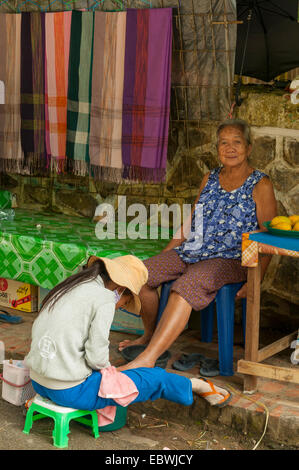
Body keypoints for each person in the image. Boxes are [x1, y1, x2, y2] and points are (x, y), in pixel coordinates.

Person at [118, 119, 278, 372]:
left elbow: (269, 235)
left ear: (248, 148)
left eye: (237, 142)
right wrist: (166, 255)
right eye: (224, 143)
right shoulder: (210, 178)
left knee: (186, 286)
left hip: (231, 259)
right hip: (194, 251)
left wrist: (255, 279)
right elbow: (192, 222)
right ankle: (149, 335)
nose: (230, 148)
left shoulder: (260, 184)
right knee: (140, 273)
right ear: (217, 149)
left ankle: (149, 356)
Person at [24, 254, 232, 418]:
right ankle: (195, 385)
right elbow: (96, 357)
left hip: (39, 382)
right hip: (68, 392)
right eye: (125, 303)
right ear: (120, 290)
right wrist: (112, 373)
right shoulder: (105, 298)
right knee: (151, 377)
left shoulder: (72, 285)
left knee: (115, 374)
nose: (121, 306)